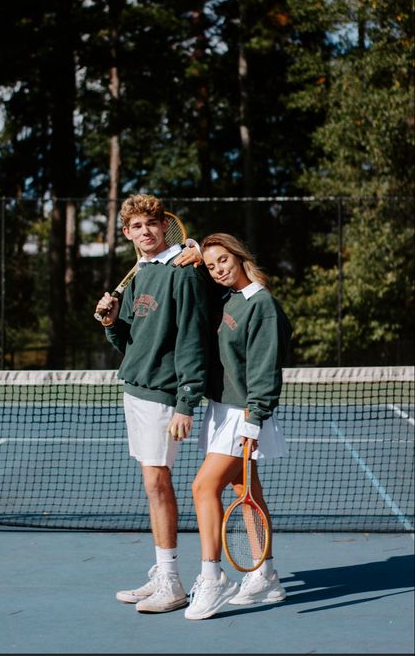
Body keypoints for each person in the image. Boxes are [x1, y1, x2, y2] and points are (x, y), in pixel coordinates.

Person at [95, 194, 209, 614]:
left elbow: (193, 339)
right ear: (127, 233)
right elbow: (130, 344)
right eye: (137, 227)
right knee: (152, 484)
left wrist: (186, 402)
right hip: (135, 391)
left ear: (166, 227)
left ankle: (173, 583)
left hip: (164, 395)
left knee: (158, 485)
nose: (146, 232)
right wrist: (110, 321)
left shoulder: (183, 273)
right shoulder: (140, 276)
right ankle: (163, 572)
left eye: (152, 224)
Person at [174, 233, 292, 621]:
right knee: (247, 491)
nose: (218, 270)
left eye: (223, 260)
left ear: (239, 256)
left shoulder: (263, 306)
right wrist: (193, 248)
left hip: (244, 414)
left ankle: (213, 578)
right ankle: (266, 574)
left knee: (203, 487)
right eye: (211, 265)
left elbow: (265, 369)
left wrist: (254, 421)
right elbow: (201, 284)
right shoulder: (228, 299)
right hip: (222, 409)